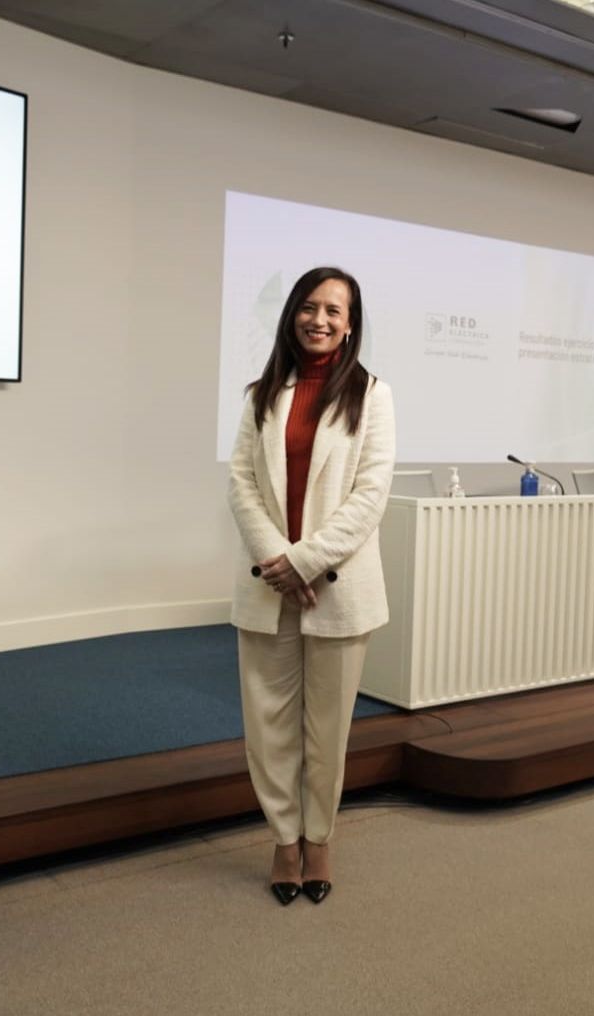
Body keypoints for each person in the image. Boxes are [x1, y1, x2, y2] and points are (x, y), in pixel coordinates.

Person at [226, 266, 395, 905]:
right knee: (268, 724)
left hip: (338, 587)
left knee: (328, 727)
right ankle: (283, 839)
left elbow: (370, 494)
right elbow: (241, 482)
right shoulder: (260, 393)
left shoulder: (373, 395)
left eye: (333, 310)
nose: (318, 319)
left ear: (350, 324)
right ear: (293, 313)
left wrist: (306, 560)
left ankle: (318, 838)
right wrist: (279, 558)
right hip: (269, 583)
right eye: (309, 306)